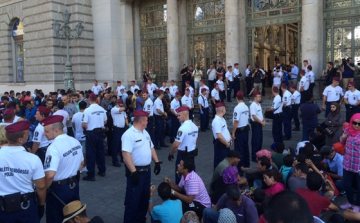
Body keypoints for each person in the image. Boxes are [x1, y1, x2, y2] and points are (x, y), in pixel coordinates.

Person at [0, 121, 46, 222]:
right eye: (27, 134)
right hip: (25, 206)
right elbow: (41, 186)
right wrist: (41, 205)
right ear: (20, 139)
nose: (29, 135)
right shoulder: (33, 159)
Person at [121, 110, 162, 223]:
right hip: (136, 173)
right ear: (142, 121)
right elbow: (125, 153)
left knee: (144, 201)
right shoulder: (129, 134)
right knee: (132, 203)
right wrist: (133, 172)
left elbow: (151, 147)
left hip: (146, 172)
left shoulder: (145, 132)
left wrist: (157, 162)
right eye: (147, 120)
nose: (148, 122)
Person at [42, 115, 84, 223]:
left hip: (58, 190)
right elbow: (82, 163)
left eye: (46, 131)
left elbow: (50, 174)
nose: (44, 134)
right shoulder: (74, 141)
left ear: (56, 131)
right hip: (74, 185)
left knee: (56, 218)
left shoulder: (53, 147)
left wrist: (44, 189)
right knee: (73, 216)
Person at [168, 106, 198, 184]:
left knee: (180, 177)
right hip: (191, 156)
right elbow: (195, 140)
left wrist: (170, 154)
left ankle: (180, 194)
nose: (177, 117)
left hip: (182, 156)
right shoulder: (195, 126)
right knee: (191, 177)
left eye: (179, 115)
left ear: (185, 115)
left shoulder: (182, 128)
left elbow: (176, 144)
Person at [82, 93, 107, 181]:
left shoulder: (87, 110)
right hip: (100, 132)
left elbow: (84, 124)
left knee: (90, 154)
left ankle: (91, 174)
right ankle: (102, 170)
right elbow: (105, 121)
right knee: (100, 152)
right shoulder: (102, 109)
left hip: (91, 133)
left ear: (89, 100)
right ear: (96, 99)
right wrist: (98, 123)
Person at [340, 113, 360, 212]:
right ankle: (350, 201)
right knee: (346, 184)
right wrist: (342, 137)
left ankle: (357, 204)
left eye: (359, 124)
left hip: (358, 165)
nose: (356, 125)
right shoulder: (348, 130)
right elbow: (342, 141)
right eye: (355, 123)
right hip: (348, 163)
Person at [232, 91, 250, 169]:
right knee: (246, 148)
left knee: (239, 149)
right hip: (246, 129)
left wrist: (233, 132)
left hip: (239, 131)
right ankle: (247, 164)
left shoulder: (237, 108)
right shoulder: (246, 107)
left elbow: (236, 121)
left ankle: (240, 167)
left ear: (236, 98)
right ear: (243, 98)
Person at [212, 102, 232, 170]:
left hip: (226, 144)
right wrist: (227, 143)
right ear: (223, 110)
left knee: (226, 162)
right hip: (221, 145)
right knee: (220, 163)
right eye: (225, 109)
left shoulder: (222, 119)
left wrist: (230, 139)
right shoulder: (216, 121)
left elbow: (226, 130)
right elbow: (219, 135)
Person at [111, 98, 127, 167]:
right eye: (120, 104)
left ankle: (122, 158)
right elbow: (122, 109)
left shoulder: (123, 110)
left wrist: (127, 126)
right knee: (115, 145)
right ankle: (115, 161)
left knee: (122, 144)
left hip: (122, 129)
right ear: (117, 104)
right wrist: (125, 107)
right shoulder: (113, 109)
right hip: (116, 129)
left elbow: (125, 118)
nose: (122, 105)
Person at [72, 101, 88, 172]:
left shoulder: (75, 115)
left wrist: (76, 130)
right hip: (84, 135)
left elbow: (73, 124)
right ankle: (84, 165)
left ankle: (78, 165)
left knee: (78, 151)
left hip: (77, 135)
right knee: (84, 151)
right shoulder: (86, 114)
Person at [249, 92, 265, 162]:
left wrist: (263, 120)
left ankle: (259, 154)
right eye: (258, 97)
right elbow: (254, 116)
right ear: (255, 97)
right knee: (256, 140)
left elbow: (261, 114)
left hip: (259, 124)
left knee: (260, 140)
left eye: (260, 96)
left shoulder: (259, 105)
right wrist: (261, 122)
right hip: (256, 124)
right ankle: (254, 156)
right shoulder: (253, 105)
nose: (260, 98)